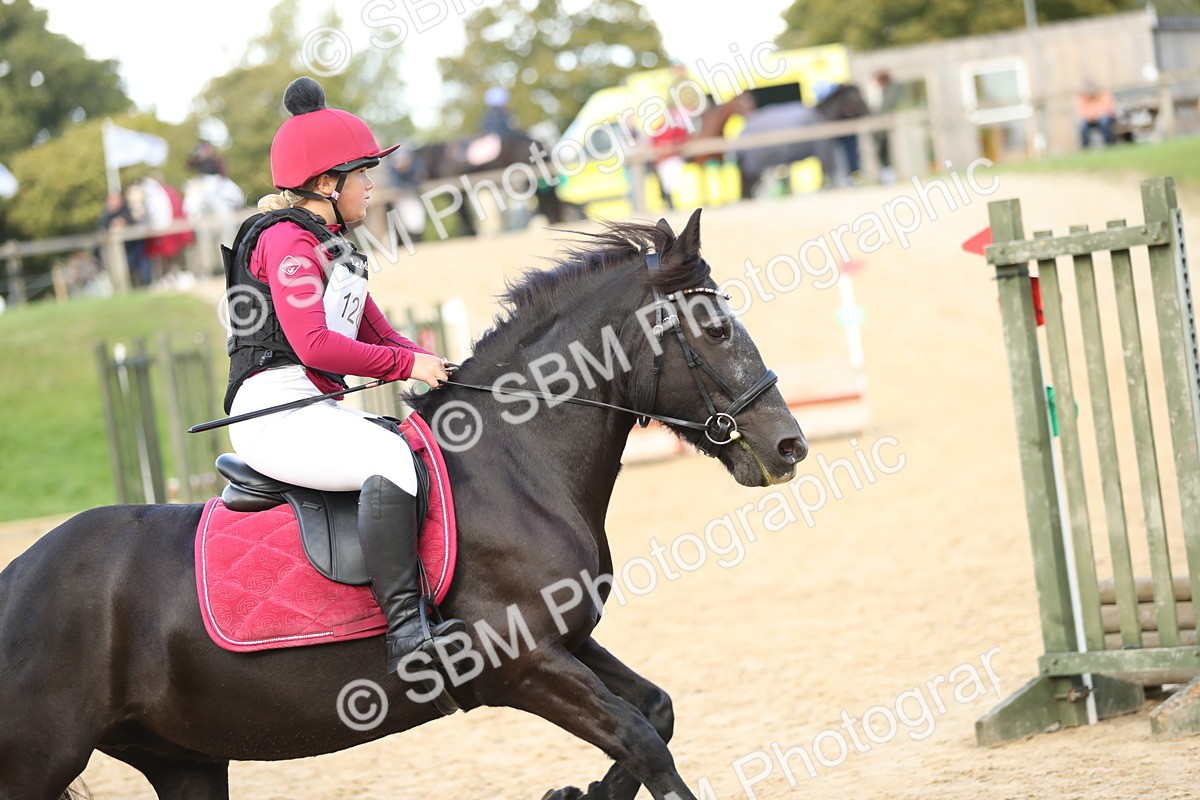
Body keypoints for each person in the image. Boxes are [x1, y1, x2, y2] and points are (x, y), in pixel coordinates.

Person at [225, 76, 466, 678]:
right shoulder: (286, 243)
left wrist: (449, 370)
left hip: (311, 410)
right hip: (274, 415)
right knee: (389, 459)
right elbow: (315, 345)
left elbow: (382, 336)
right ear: (328, 184)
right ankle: (407, 632)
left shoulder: (332, 247)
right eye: (362, 174)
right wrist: (408, 366)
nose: (371, 184)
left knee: (410, 444)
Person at [872, 70, 901, 184]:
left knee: (887, 151)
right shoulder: (884, 91)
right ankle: (887, 175)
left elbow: (886, 108)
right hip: (882, 125)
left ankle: (890, 175)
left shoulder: (891, 90)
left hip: (888, 125)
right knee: (883, 151)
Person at [1076, 78, 1118, 148]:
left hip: (1106, 118)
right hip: (1090, 120)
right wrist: (1094, 115)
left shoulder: (1104, 94)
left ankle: (1109, 144)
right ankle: (1085, 147)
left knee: (1104, 121)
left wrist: (1094, 114)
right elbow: (1082, 112)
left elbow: (1106, 109)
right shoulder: (1082, 97)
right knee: (1082, 124)